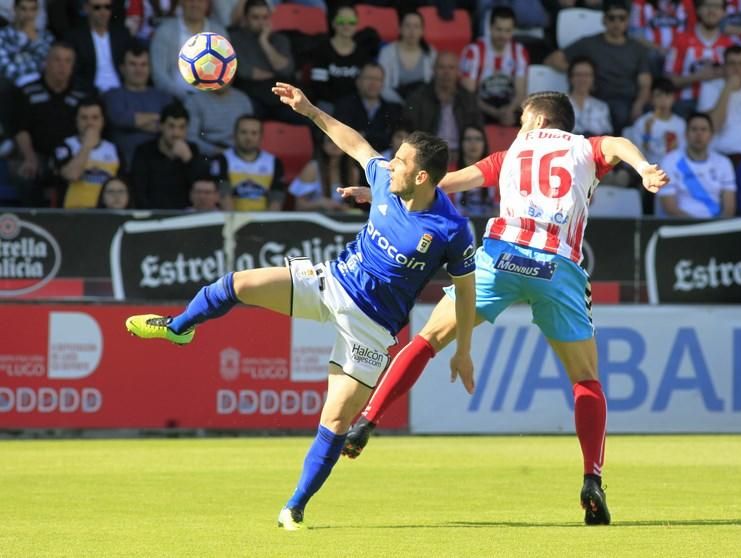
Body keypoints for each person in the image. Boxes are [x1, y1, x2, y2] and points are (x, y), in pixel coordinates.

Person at [124, 81, 478, 531]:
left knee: (334, 421)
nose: (390, 167)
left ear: (422, 177)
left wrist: (462, 349)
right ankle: (179, 327)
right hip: (332, 281)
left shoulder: (451, 229)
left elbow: (465, 292)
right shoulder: (387, 181)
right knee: (238, 283)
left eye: (401, 163)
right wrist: (309, 109)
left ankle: (294, 508)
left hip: (371, 330)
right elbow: (353, 141)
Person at [338, 90, 670, 526]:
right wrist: (644, 167)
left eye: (522, 118)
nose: (519, 126)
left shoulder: (508, 154)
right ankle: (592, 478)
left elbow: (442, 181)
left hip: (500, 258)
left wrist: (380, 190)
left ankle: (367, 419)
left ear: (535, 119)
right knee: (586, 380)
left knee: (427, 340)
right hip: (557, 266)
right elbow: (616, 145)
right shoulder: (585, 148)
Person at [545, 0, 651, 133]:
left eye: (622, 18)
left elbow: (645, 83)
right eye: (612, 18)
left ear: (628, 21)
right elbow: (552, 59)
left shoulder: (637, 49)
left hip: (628, 100)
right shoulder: (589, 44)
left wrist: (639, 104)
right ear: (604, 20)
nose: (617, 23)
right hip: (598, 98)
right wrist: (580, 75)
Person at [11, 42, 89, 207]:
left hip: (72, 155)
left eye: (68, 61)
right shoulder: (27, 92)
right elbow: (21, 129)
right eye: (57, 60)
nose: (62, 66)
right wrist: (30, 157)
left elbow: (90, 125)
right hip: (39, 155)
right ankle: (35, 222)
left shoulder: (82, 94)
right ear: (46, 62)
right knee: (25, 173)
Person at [102, 44, 173, 171]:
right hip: (122, 166)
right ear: (122, 68)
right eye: (133, 64)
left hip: (158, 167)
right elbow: (120, 119)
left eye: (143, 64)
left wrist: (134, 122)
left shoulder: (164, 97)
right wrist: (157, 117)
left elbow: (170, 126)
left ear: (150, 68)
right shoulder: (112, 95)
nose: (138, 70)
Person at [404, 51, 484, 163]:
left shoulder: (468, 99)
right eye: (441, 67)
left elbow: (477, 131)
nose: (446, 72)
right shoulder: (418, 98)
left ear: (458, 71)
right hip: (428, 158)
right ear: (434, 70)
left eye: (451, 68)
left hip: (463, 158)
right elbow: (411, 132)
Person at [229, 0, 297, 123]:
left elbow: (286, 70)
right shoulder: (235, 38)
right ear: (245, 19)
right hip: (250, 95)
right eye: (255, 17)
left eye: (265, 17)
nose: (261, 22)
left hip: (279, 97)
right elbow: (246, 72)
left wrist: (264, 42)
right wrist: (275, 73)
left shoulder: (280, 39)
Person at [663, 0, 736, 115]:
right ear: (698, 10)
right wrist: (697, 77)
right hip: (685, 103)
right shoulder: (680, 40)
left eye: (717, 7)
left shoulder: (729, 45)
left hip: (717, 104)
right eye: (707, 5)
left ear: (724, 12)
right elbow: (668, 81)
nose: (712, 11)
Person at [657, 112, 735, 218]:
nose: (699, 134)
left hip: (715, 227)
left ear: (711, 135)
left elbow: (729, 208)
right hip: (680, 227)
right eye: (694, 129)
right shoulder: (669, 161)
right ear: (686, 135)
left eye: (703, 130)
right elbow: (669, 207)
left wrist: (716, 228)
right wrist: (697, 228)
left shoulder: (724, 163)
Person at [130, 101, 207, 209]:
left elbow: (202, 188)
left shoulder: (192, 150)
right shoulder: (144, 151)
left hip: (185, 216)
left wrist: (189, 160)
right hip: (153, 215)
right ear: (161, 126)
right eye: (171, 126)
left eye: (182, 127)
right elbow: (138, 190)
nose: (176, 133)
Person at [697, 45, 741, 158]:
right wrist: (728, 88)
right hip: (720, 156)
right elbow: (714, 127)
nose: (737, 68)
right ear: (724, 66)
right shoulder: (709, 88)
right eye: (732, 63)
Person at [460, 6, 528, 126]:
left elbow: (520, 93)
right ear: (490, 28)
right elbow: (468, 94)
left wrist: (508, 111)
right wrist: (496, 113)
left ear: (513, 30)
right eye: (499, 29)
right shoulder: (474, 51)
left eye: (507, 31)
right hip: (481, 107)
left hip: (509, 108)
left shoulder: (519, 51)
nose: (502, 35)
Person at [52, 97, 122, 208]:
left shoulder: (114, 149)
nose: (90, 123)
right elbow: (72, 175)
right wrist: (87, 146)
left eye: (95, 118)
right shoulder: (65, 146)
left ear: (103, 121)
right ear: (76, 120)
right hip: (72, 213)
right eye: (84, 118)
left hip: (106, 214)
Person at [149, 0, 226, 101]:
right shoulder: (164, 31)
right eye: (190, 1)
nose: (195, 4)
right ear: (181, 2)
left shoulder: (219, 33)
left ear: (207, 4)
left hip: (211, 99)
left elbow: (226, 72)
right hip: (172, 99)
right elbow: (159, 75)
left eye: (201, 1)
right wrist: (186, 96)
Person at [210, 114, 286, 211]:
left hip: (263, 221)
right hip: (231, 219)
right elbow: (223, 195)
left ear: (261, 136)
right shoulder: (222, 159)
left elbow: (277, 199)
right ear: (234, 134)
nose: (248, 137)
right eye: (243, 132)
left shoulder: (274, 162)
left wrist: (267, 223)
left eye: (254, 133)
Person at [308, 3, 373, 112]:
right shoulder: (322, 50)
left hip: (354, 106)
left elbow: (365, 87)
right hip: (328, 105)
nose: (346, 25)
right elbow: (319, 86)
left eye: (351, 22)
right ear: (333, 23)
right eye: (341, 21)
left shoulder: (363, 53)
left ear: (357, 24)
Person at [65, 0, 132, 93]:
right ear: (86, 8)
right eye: (97, 7)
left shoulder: (122, 35)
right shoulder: (75, 37)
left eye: (107, 7)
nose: (103, 12)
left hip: (121, 91)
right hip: (89, 93)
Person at [377, 10, 436, 104]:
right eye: (408, 26)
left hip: (423, 105)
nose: (412, 31)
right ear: (400, 29)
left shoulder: (431, 53)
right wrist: (403, 104)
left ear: (422, 31)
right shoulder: (387, 52)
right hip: (394, 104)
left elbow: (435, 84)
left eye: (416, 26)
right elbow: (382, 86)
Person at [629, 78, 686, 165]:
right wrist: (647, 133)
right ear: (651, 99)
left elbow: (684, 153)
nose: (663, 100)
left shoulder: (681, 124)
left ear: (674, 98)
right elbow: (637, 156)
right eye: (658, 95)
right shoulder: (641, 122)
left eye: (667, 95)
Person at [185, 84, 254, 156]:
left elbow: (252, 132)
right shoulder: (195, 100)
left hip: (238, 154)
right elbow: (191, 137)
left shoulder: (243, 100)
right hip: (206, 155)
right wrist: (215, 151)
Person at [289, 135, 351, 212]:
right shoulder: (312, 168)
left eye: (340, 141)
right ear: (322, 144)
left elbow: (351, 204)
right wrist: (320, 203)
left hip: (341, 220)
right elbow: (299, 206)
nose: (335, 144)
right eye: (330, 141)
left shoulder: (353, 172)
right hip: (314, 219)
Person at [0, 0, 54, 86]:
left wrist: (35, 40)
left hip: (41, 87)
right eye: (23, 9)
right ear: (15, 9)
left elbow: (48, 65)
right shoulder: (2, 36)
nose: (28, 14)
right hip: (13, 87)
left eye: (33, 9)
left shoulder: (46, 37)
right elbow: (5, 67)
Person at [450, 125, 498, 217]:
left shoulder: (496, 172)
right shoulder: (450, 172)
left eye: (478, 139)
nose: (473, 143)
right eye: (468, 139)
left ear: (484, 144)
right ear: (461, 143)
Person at [567, 57, 612, 137]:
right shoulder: (560, 104)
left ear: (593, 78)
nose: (582, 79)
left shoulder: (601, 106)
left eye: (587, 75)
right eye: (578, 75)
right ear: (570, 78)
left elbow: (607, 134)